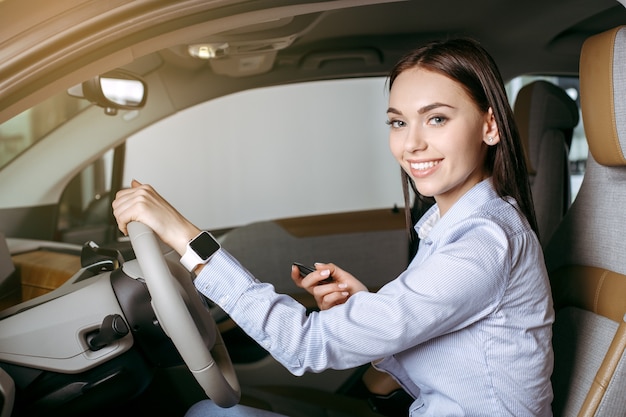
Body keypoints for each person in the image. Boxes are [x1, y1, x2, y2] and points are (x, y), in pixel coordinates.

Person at [112, 38, 554, 417]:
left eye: (437, 118)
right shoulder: (451, 226)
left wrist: (183, 236)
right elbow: (457, 365)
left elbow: (306, 346)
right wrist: (365, 311)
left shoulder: (482, 243)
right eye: (398, 122)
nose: (411, 143)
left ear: (490, 126)